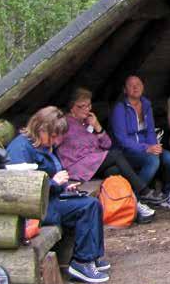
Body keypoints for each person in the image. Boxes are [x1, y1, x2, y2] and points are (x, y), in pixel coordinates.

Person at [6, 106, 109, 284]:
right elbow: (21, 189)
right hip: (34, 212)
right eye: (52, 136)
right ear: (41, 128)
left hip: (49, 199)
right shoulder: (20, 149)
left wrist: (64, 187)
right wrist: (55, 182)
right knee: (87, 207)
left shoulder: (41, 144)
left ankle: (94, 256)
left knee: (92, 202)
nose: (54, 141)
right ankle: (81, 263)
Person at [58, 87, 156, 222]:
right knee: (115, 155)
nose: (87, 109)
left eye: (88, 105)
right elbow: (54, 142)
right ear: (72, 107)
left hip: (94, 163)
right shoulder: (64, 123)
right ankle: (144, 190)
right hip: (77, 166)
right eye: (82, 106)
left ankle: (134, 207)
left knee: (114, 171)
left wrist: (97, 126)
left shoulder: (88, 122)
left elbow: (107, 144)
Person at [109, 75, 170, 210]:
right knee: (153, 161)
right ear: (125, 90)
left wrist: (155, 146)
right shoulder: (120, 109)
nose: (135, 87)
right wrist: (146, 149)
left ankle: (167, 194)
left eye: (138, 84)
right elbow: (122, 139)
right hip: (127, 152)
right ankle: (134, 198)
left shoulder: (146, 104)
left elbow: (150, 131)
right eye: (131, 85)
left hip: (147, 148)